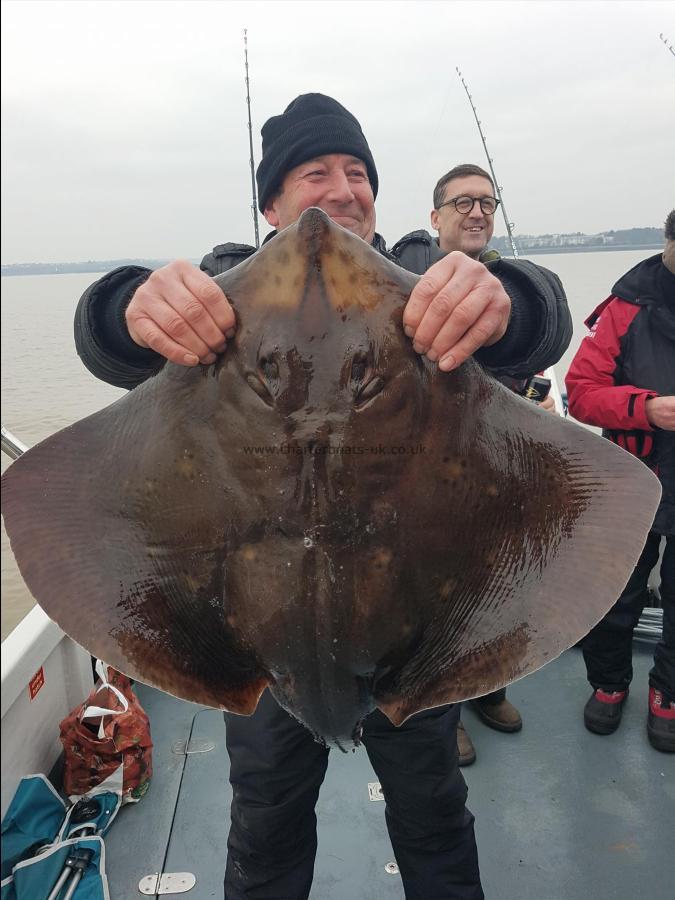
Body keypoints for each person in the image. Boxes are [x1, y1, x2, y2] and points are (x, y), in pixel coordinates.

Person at [74, 94, 572, 899]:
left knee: (434, 812)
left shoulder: (423, 273)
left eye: (357, 173)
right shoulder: (220, 290)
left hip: (415, 624)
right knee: (266, 815)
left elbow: (537, 316)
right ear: (271, 204)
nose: (342, 191)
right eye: (316, 172)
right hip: (258, 636)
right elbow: (105, 334)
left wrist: (506, 301)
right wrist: (127, 305)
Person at [391, 163, 566, 765]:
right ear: (434, 216)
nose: (477, 212)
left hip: (498, 468)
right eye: (462, 202)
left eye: (488, 203)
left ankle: (490, 688)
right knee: (437, 601)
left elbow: (548, 318)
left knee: (498, 589)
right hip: (426, 479)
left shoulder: (507, 280)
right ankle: (443, 709)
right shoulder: (403, 276)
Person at [565, 210, 675, 754]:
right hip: (633, 480)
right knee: (614, 594)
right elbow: (581, 392)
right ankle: (609, 684)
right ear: (668, 243)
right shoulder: (626, 307)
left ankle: (668, 694)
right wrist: (647, 409)